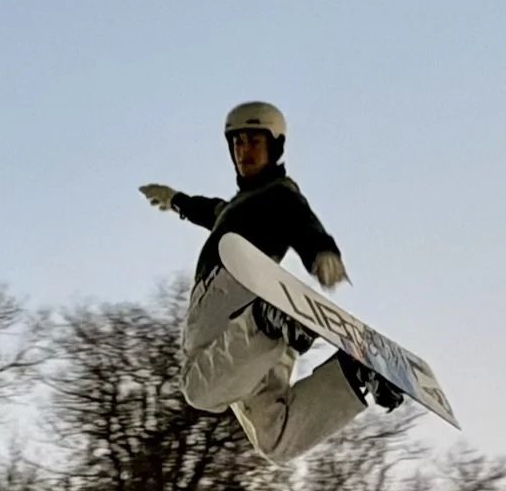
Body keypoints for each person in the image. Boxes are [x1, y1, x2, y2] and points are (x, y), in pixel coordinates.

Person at [141, 101, 401, 462]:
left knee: (199, 389)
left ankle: (266, 322)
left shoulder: (279, 193)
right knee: (274, 437)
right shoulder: (235, 207)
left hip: (226, 298)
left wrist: (321, 252)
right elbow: (210, 210)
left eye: (253, 142)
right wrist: (176, 201)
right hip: (261, 328)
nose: (243, 152)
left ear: (275, 147)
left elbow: (302, 221)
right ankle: (352, 375)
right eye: (237, 144)